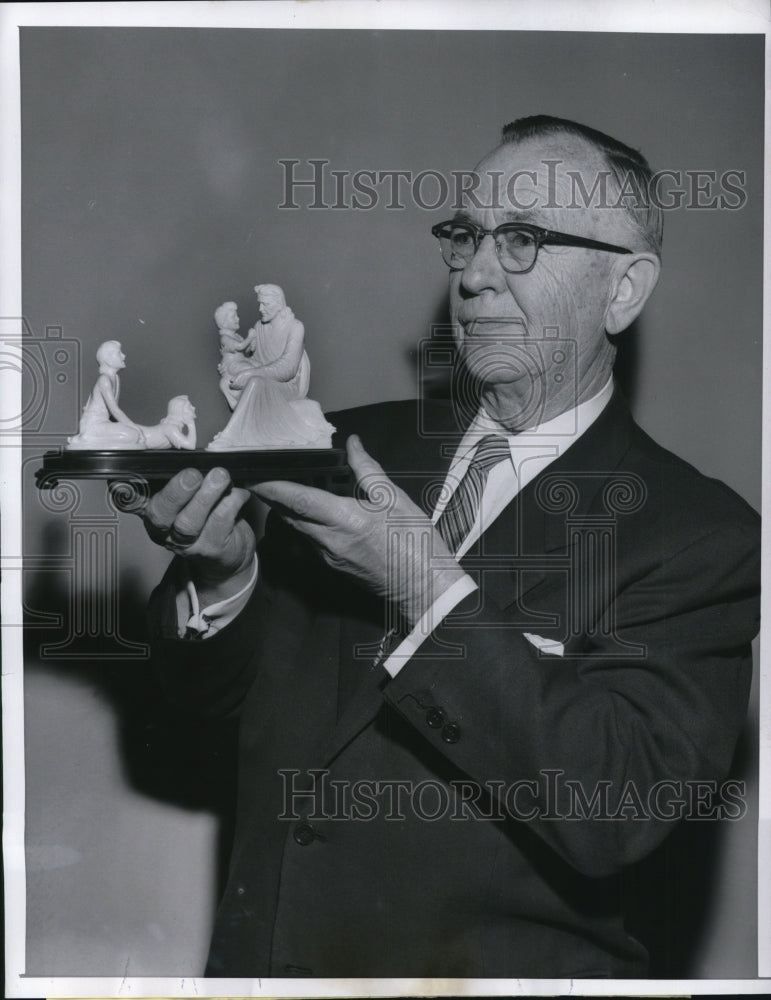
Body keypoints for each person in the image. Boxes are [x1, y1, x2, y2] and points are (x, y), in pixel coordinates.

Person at [141, 116, 760, 978]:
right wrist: (223, 573)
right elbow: (206, 696)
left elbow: (615, 811)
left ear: (623, 289)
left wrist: (429, 591)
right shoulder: (343, 449)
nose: (471, 275)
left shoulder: (697, 537)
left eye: (521, 240)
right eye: (465, 236)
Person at [207, 284, 335, 450]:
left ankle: (230, 435)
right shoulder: (260, 327)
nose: (260, 309)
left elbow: (287, 369)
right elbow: (257, 359)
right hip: (264, 376)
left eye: (265, 304)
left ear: (279, 303)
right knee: (227, 383)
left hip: (287, 385)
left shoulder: (295, 327)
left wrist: (249, 373)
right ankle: (244, 432)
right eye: (260, 303)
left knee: (255, 383)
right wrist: (233, 367)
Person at [67, 340, 145, 449]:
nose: (123, 356)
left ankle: (87, 438)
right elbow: (115, 411)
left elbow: (114, 412)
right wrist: (135, 428)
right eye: (119, 353)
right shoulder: (104, 380)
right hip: (93, 425)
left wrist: (134, 428)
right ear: (108, 359)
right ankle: (85, 437)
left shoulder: (116, 378)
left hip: (104, 423)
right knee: (133, 435)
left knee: (134, 434)